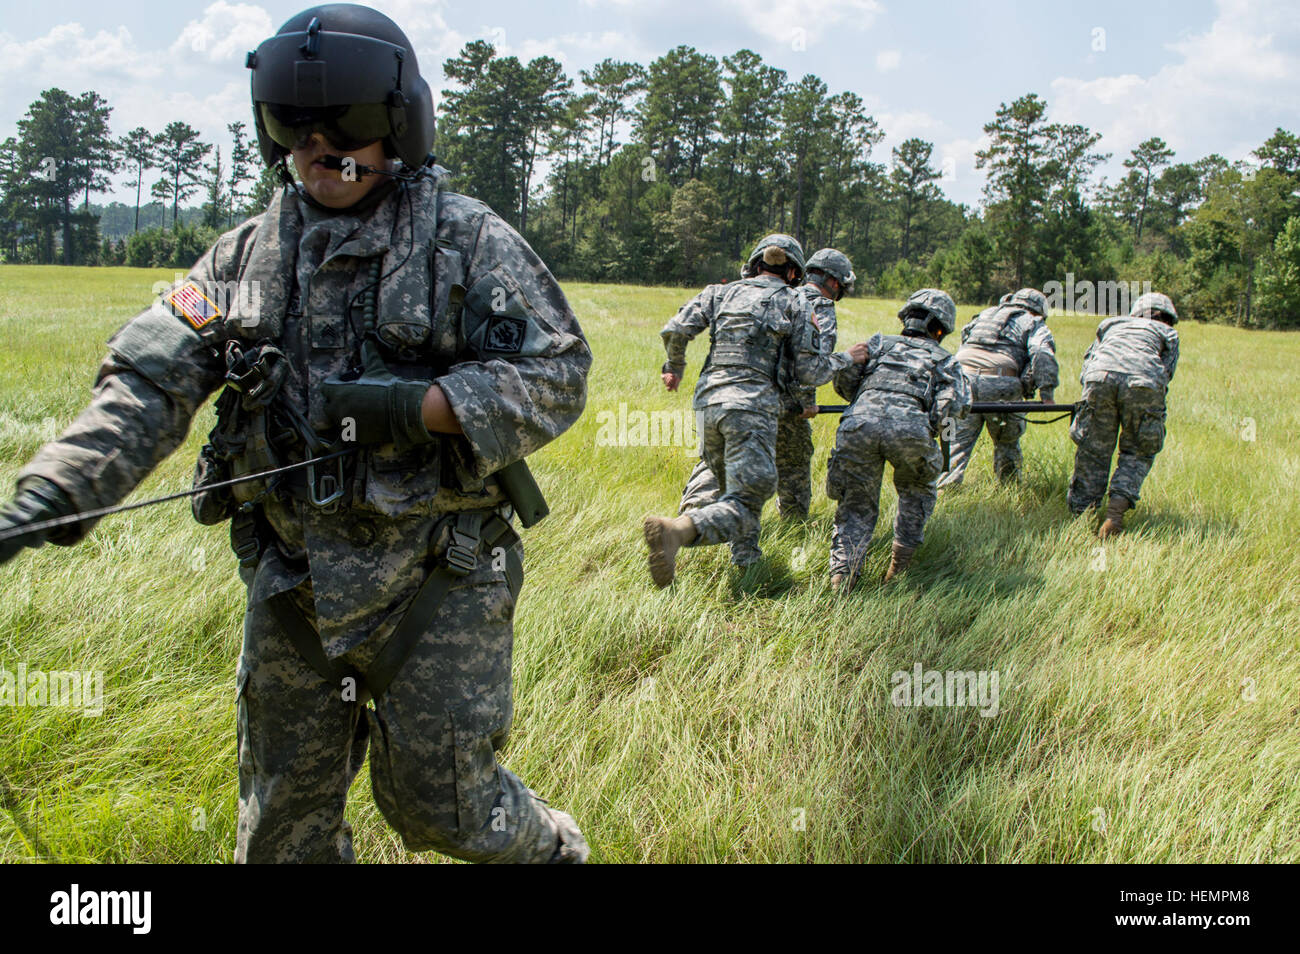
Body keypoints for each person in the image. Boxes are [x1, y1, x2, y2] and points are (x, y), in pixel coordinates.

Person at [0, 4, 592, 864]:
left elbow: (559, 374)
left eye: (345, 123)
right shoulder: (239, 262)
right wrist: (50, 493)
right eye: (292, 123)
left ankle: (558, 852)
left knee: (446, 811)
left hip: (438, 580)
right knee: (281, 838)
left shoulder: (464, 242)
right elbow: (149, 379)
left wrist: (416, 408)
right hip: (293, 591)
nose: (319, 146)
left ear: (396, 126)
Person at [643, 235, 867, 586]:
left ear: (752, 265)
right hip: (751, 408)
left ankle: (747, 561)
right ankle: (677, 532)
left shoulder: (719, 293)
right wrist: (845, 359)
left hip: (707, 403)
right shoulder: (796, 302)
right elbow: (810, 371)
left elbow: (675, 330)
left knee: (730, 483)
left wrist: (675, 366)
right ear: (794, 272)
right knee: (747, 501)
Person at [676, 248, 854, 520]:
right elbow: (810, 363)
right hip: (781, 405)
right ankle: (792, 526)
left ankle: (689, 523)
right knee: (793, 463)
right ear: (835, 282)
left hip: (729, 394)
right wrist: (803, 403)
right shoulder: (818, 305)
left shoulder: (752, 291)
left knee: (717, 460)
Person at [826, 289, 971, 590]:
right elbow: (951, 409)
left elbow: (845, 377)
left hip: (857, 425)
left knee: (855, 504)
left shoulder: (878, 343)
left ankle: (843, 578)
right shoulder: (945, 359)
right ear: (940, 328)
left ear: (907, 318)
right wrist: (933, 436)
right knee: (916, 491)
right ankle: (898, 570)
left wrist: (865, 404)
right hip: (911, 430)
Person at [1067, 291, 1180, 538]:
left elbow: (1087, 365)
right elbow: (1166, 373)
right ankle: (1114, 516)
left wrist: (1093, 396)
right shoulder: (1168, 333)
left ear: (1136, 313)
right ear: (1168, 318)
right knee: (1138, 450)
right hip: (1145, 383)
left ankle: (1081, 517)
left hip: (1099, 378)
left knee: (1093, 449)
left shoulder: (1110, 324)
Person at [936, 287, 1058, 489]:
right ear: (1038, 310)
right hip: (1001, 384)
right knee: (1007, 442)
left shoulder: (984, 315)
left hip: (962, 380)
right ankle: (1008, 488)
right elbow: (1042, 353)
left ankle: (945, 489)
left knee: (956, 442)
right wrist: (1047, 394)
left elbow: (964, 341)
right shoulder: (1033, 321)